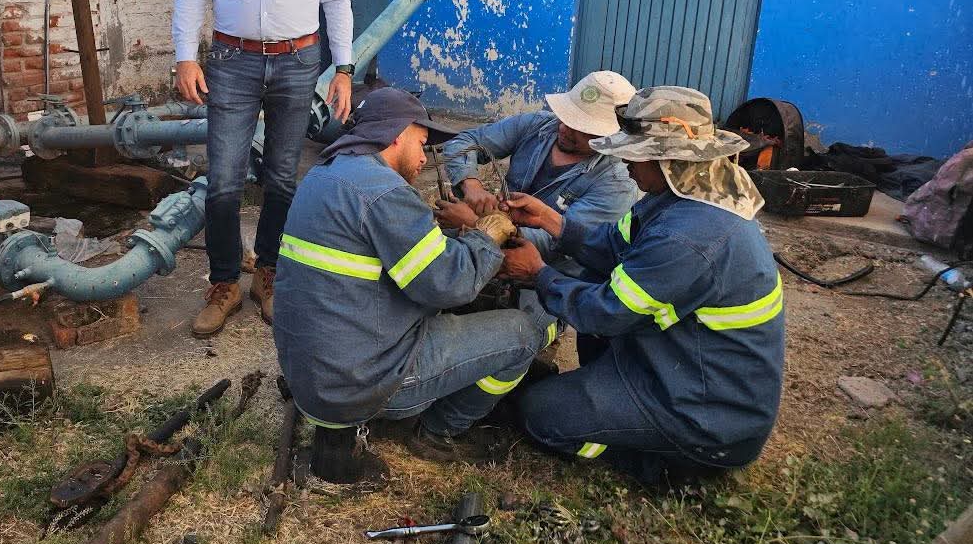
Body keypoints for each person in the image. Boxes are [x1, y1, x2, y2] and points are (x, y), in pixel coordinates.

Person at [499, 86, 785, 485]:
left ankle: (670, 463)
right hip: (677, 359)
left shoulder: (687, 236)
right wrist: (552, 221)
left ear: (666, 159)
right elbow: (613, 248)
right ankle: (610, 396)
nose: (625, 165)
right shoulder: (680, 196)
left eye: (633, 155)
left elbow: (605, 312)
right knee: (593, 278)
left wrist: (537, 274)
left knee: (540, 414)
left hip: (705, 410)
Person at [273, 88, 556, 463]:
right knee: (524, 334)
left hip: (312, 375)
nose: (424, 157)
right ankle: (441, 430)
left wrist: (457, 238)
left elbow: (400, 255)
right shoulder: (384, 192)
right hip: (364, 384)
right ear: (395, 134)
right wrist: (491, 231)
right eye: (421, 143)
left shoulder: (322, 176)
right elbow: (451, 285)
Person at [172, 0, 355, 337]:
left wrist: (343, 68)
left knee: (281, 175)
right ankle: (225, 281)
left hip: (299, 60)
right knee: (224, 178)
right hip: (232, 60)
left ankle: (268, 274)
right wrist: (185, 54)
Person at [436, 71, 638, 274]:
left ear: (609, 136)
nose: (565, 129)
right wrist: (471, 184)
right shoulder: (537, 125)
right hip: (488, 239)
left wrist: (476, 224)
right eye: (566, 117)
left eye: (580, 127)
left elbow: (560, 243)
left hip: (547, 276)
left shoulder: (617, 183)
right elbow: (464, 142)